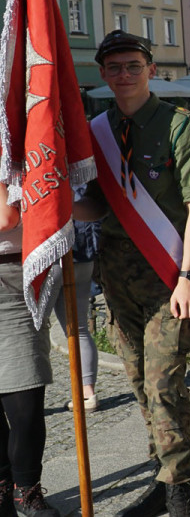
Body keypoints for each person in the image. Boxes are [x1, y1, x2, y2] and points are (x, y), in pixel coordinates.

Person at [75, 30, 190, 517]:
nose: (125, 75)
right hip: (117, 276)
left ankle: (179, 493)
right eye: (114, 68)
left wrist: (189, 275)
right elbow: (97, 204)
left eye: (134, 65)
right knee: (139, 382)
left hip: (168, 274)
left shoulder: (180, 125)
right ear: (103, 74)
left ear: (151, 69)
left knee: (164, 385)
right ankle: (161, 475)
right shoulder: (98, 130)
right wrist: (56, 205)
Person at [0, 185, 62, 517]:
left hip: (14, 274)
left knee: (25, 397)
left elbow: (5, 216)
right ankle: (2, 489)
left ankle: (26, 490)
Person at [55, 207, 101, 412]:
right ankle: (88, 393)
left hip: (53, 252)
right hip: (83, 250)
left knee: (31, 331)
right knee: (79, 328)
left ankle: (24, 400)